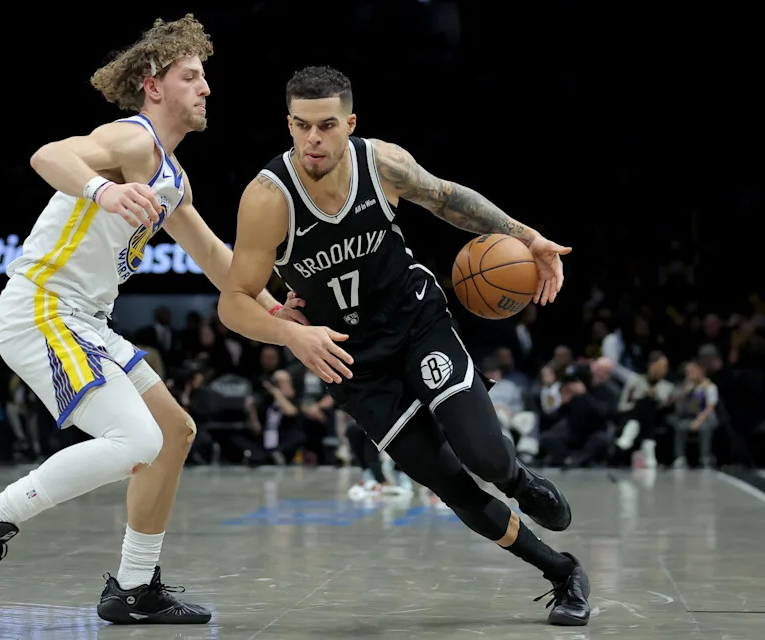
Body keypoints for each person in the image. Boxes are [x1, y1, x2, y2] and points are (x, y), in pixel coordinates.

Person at [0, 14, 305, 625]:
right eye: (191, 76)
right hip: (42, 306)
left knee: (174, 433)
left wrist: (277, 310)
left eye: (204, 77)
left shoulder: (172, 177)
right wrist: (101, 191)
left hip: (87, 320)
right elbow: (48, 154)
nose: (205, 88)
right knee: (137, 440)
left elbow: (218, 260)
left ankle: (134, 588)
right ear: (154, 85)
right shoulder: (132, 140)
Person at [217, 65, 591, 626]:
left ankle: (519, 480)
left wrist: (528, 238)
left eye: (325, 125)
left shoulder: (381, 162)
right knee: (447, 481)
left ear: (350, 123)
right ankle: (562, 572)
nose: (312, 139)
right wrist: (287, 329)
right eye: (300, 126)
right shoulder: (268, 198)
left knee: (486, 456)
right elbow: (234, 300)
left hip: (417, 324)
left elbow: (447, 198)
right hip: (351, 362)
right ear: (289, 124)